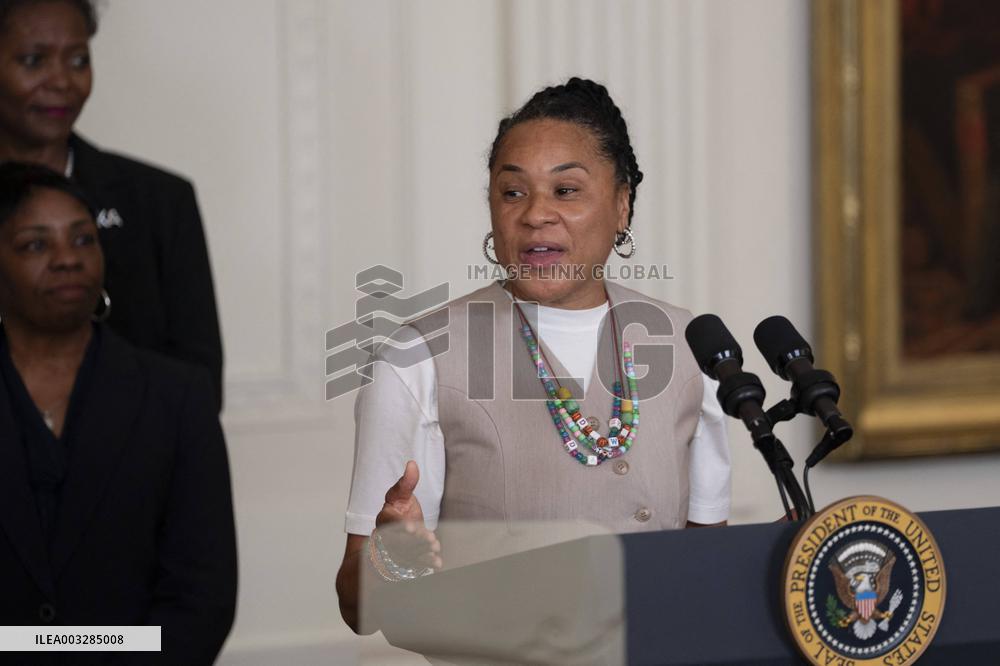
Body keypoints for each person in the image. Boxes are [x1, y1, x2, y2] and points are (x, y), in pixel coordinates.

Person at [336, 78, 731, 632]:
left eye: (566, 190)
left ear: (622, 205)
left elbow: (705, 568)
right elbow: (358, 608)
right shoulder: (416, 355)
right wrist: (391, 558)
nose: (535, 214)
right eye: (513, 192)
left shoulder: (689, 345)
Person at [0, 162, 237, 664]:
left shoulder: (176, 397)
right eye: (36, 245)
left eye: (84, 240)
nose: (67, 259)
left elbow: (202, 598)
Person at [0, 0, 224, 409]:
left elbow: (200, 388)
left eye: (78, 60)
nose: (61, 81)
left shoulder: (158, 201)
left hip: (133, 464)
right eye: (34, 61)